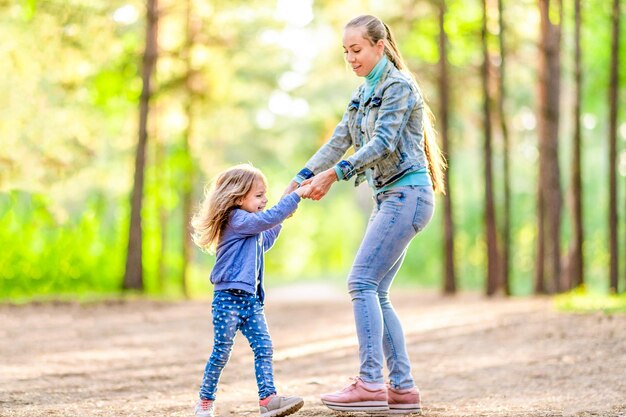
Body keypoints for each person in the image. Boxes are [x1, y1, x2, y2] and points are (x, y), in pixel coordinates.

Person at [284, 14, 446, 415]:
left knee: (360, 282)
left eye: (356, 50)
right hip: (390, 198)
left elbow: (383, 143)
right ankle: (403, 389)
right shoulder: (361, 95)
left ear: (380, 46)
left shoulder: (399, 86)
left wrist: (334, 176)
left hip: (407, 195)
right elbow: (339, 140)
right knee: (376, 290)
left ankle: (371, 382)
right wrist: (301, 176)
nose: (350, 58)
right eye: (345, 52)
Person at [190, 163, 310, 417]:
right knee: (221, 351)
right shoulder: (236, 219)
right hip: (227, 299)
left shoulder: (250, 225)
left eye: (265, 195)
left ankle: (268, 399)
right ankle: (204, 401)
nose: (264, 200)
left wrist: (287, 207)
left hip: (251, 301)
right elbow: (266, 220)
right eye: (259, 195)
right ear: (238, 197)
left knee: (264, 347)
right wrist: (293, 198)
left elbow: (266, 237)